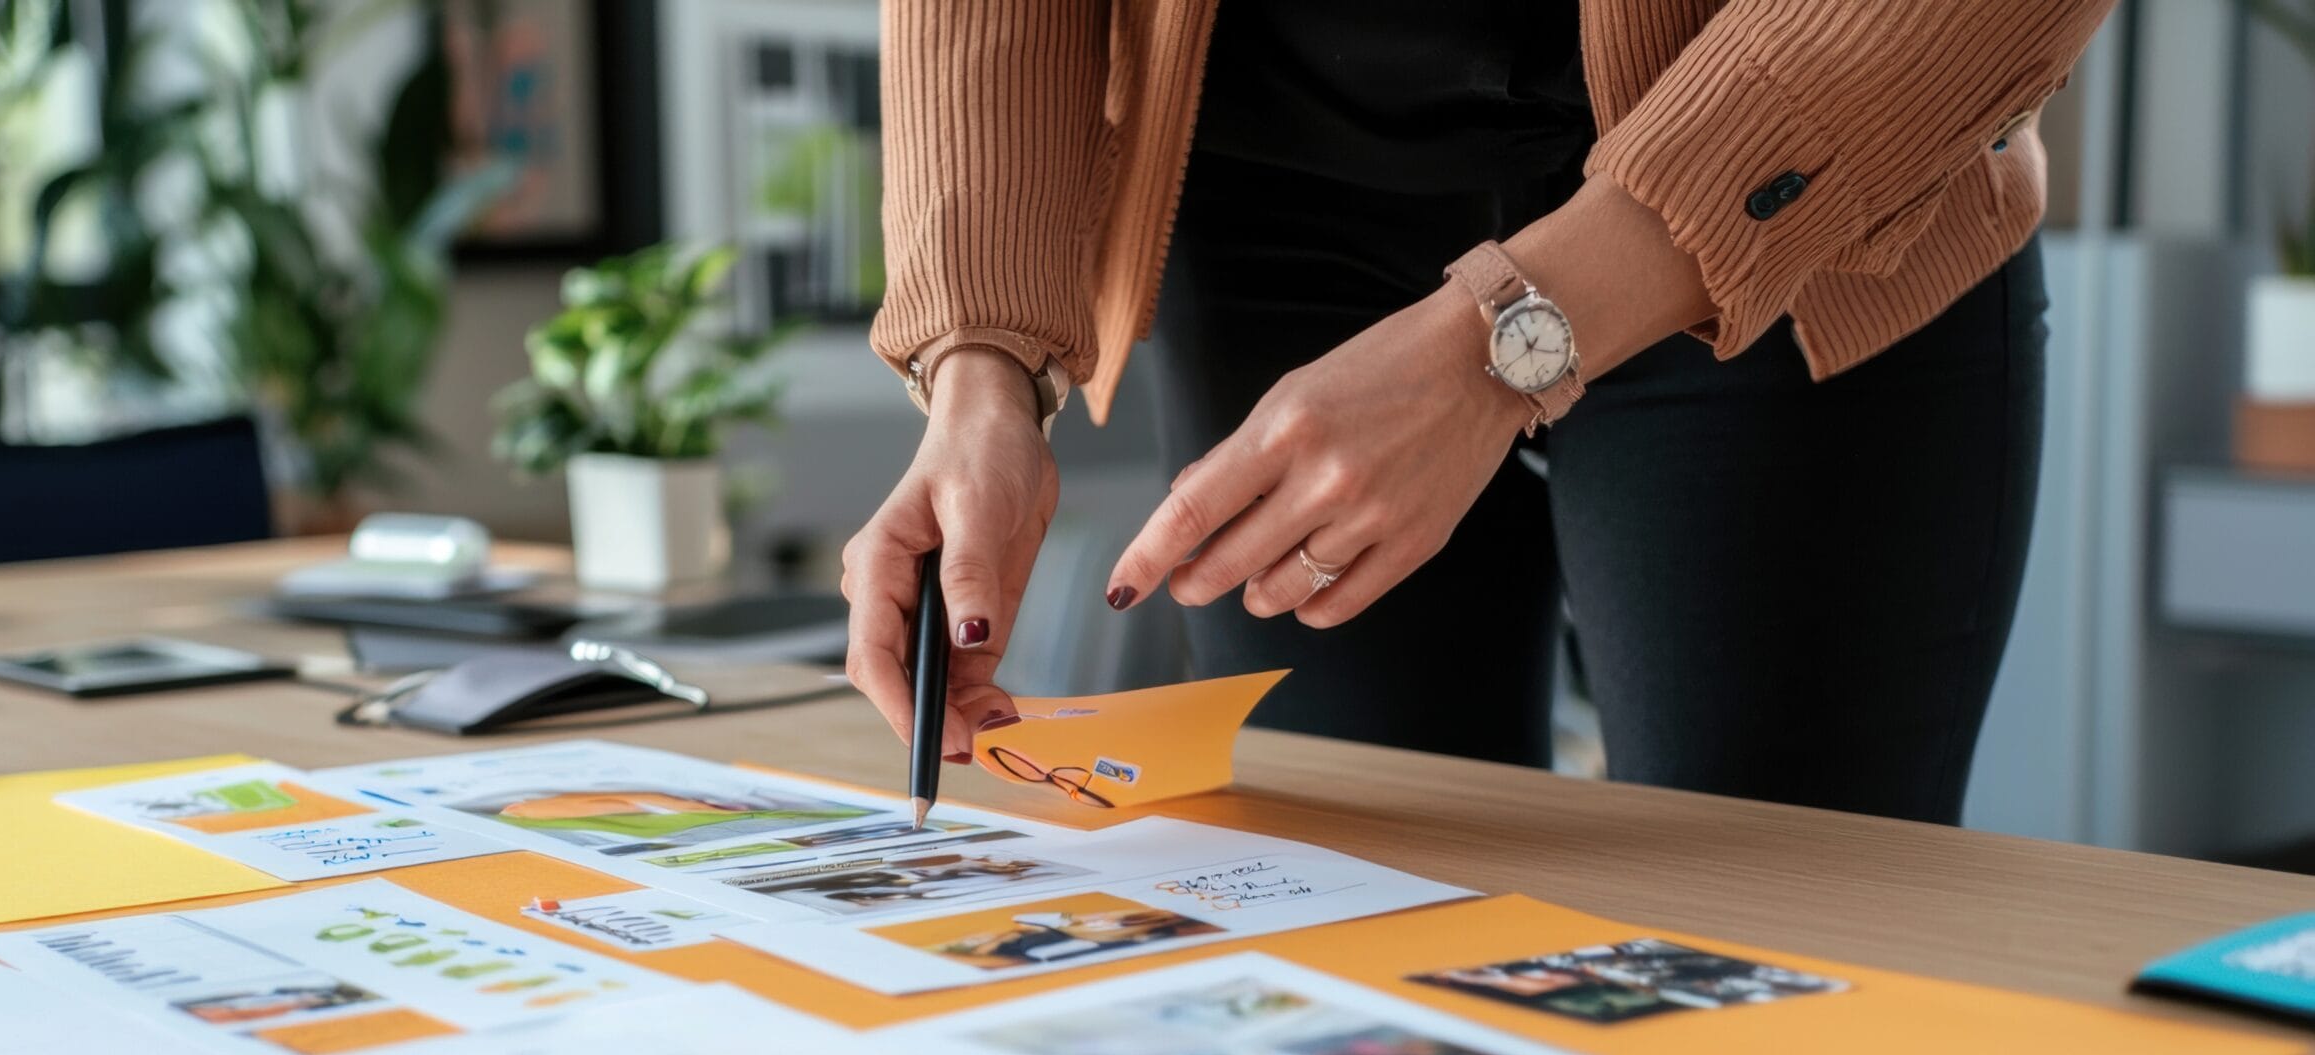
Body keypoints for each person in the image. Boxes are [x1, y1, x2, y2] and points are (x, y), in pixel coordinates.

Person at [841, 0, 2109, 824]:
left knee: (1770, 927)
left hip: (1797, 183)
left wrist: (1491, 350)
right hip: (1279, 199)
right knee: (1339, 929)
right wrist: (980, 365)